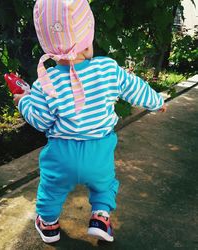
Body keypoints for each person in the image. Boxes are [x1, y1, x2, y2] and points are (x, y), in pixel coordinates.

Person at [13, 0, 167, 244]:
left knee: (51, 190)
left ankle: (49, 225)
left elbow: (40, 121)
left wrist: (22, 100)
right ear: (87, 42)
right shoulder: (108, 69)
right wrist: (156, 101)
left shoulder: (46, 83)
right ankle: (100, 218)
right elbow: (136, 89)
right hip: (99, 150)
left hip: (61, 154)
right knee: (104, 185)